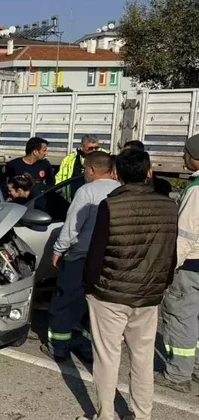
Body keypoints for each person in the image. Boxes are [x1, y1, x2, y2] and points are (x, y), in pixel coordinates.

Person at [79, 149, 178, 420]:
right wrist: (162, 283)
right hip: (148, 294)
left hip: (110, 293)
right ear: (149, 173)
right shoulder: (169, 206)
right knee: (143, 359)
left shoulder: (110, 206)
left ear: (116, 175)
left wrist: (88, 286)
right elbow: (170, 253)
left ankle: (106, 415)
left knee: (107, 358)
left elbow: (96, 253)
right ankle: (142, 415)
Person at [41, 151, 120, 363]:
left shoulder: (87, 191)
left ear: (92, 169)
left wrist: (58, 251)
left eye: (85, 169)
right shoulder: (121, 190)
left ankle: (59, 348)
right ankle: (88, 348)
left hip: (82, 258)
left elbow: (72, 227)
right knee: (97, 305)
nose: (84, 172)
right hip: (111, 259)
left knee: (65, 302)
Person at [156, 134, 199, 393]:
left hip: (192, 264)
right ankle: (194, 368)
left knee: (180, 317)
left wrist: (169, 267)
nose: (183, 157)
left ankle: (177, 375)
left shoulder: (195, 190)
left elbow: (185, 236)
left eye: (185, 152)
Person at [55, 134, 104, 201]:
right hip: (73, 198)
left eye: (96, 148)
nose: (94, 150)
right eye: (90, 148)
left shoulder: (104, 157)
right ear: (82, 147)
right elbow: (59, 179)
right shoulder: (69, 159)